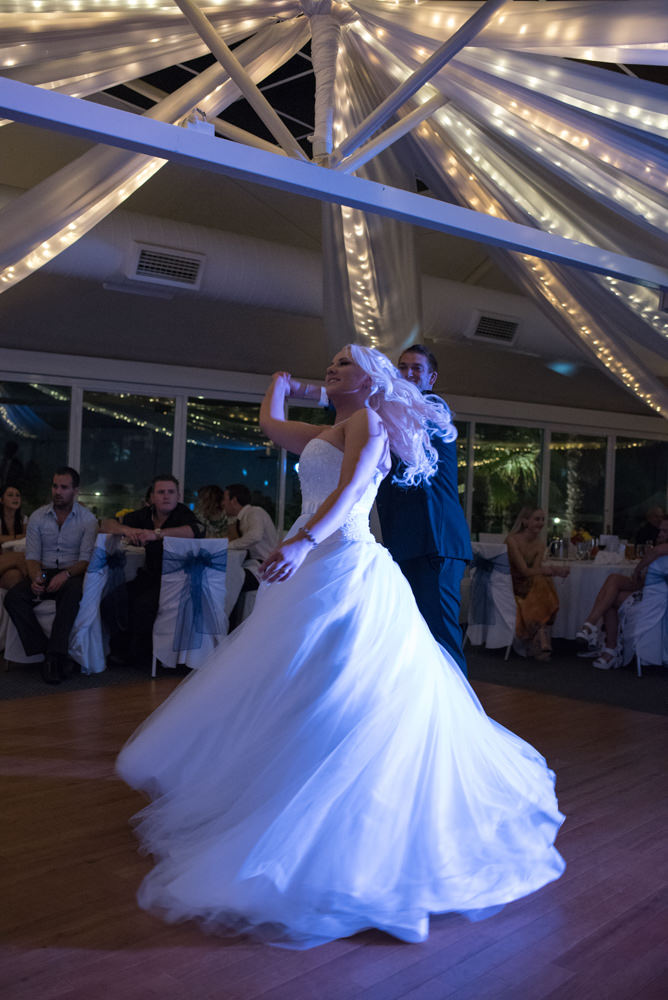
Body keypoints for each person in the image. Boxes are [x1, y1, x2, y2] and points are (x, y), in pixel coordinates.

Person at [116, 345, 564, 950]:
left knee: (345, 684)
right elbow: (272, 426)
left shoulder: (370, 423)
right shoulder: (330, 428)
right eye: (328, 363)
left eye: (343, 365)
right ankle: (284, 790)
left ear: (370, 378)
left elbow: (353, 491)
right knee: (298, 682)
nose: (330, 369)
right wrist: (280, 385)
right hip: (314, 562)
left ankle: (342, 813)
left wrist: (302, 543)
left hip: (343, 561)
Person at [375, 344, 472, 676]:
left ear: (431, 377)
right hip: (405, 541)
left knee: (442, 635)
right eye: (402, 368)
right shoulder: (390, 413)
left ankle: (462, 721)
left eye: (416, 368)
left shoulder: (432, 406)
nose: (407, 374)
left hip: (436, 541)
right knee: (414, 636)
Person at [3, 467, 97, 683]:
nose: (58, 491)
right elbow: (32, 556)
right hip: (44, 571)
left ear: (75, 491)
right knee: (13, 598)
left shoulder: (87, 520)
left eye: (64, 487)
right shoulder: (38, 517)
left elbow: (85, 560)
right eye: (55, 486)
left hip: (72, 572)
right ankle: (48, 653)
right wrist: (37, 577)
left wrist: (65, 575)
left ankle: (55, 655)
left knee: (73, 591)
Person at [100, 474, 203, 667]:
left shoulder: (182, 514)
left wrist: (157, 534)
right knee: (110, 601)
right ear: (152, 497)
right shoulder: (145, 515)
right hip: (150, 575)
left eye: (171, 492)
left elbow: (196, 530)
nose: (166, 496)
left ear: (178, 495)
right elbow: (105, 523)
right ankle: (122, 648)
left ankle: (140, 655)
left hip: (178, 579)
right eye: (161, 492)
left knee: (143, 605)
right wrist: (126, 530)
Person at [576, 516, 668, 669]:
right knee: (613, 582)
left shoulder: (661, 549)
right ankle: (591, 627)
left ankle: (606, 645)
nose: (660, 534)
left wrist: (639, 568)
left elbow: (655, 552)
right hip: (650, 592)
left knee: (611, 596)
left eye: (666, 531)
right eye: (661, 530)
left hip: (656, 602)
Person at [506, 507, 570, 661]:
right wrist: (552, 570)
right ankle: (541, 636)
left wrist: (549, 571)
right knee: (543, 579)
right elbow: (523, 571)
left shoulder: (540, 544)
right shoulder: (512, 540)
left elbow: (534, 571)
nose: (541, 523)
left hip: (530, 583)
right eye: (537, 519)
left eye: (542, 519)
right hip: (512, 583)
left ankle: (539, 634)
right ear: (525, 521)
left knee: (542, 580)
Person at [223, 482, 278, 629]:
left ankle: (227, 626)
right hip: (255, 565)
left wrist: (226, 546)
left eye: (225, 499)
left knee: (228, 582)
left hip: (265, 567)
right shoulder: (240, 518)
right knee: (229, 580)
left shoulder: (255, 512)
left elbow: (255, 536)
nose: (223, 504)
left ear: (234, 500)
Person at [0, 483, 28, 589]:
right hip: (3, 560)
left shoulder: (23, 519)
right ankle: (38, 584)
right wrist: (18, 537)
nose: (15, 498)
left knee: (15, 576)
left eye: (17, 495)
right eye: (10, 495)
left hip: (11, 565)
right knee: (20, 557)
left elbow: (27, 538)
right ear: (1, 500)